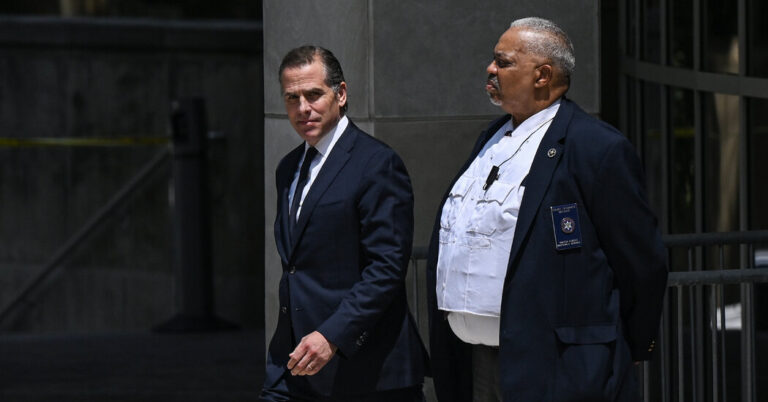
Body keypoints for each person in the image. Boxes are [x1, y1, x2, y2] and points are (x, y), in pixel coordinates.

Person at [426, 17, 668, 402]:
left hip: (557, 369)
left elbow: (641, 262)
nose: (490, 69)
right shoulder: (491, 137)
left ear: (542, 75)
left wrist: (630, 344)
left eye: (503, 62)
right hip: (475, 361)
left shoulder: (596, 147)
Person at [260, 45, 427, 402]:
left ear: (341, 94)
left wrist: (333, 335)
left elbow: (386, 267)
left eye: (313, 95)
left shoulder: (377, 164)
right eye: (292, 98)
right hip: (296, 365)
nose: (303, 108)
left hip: (367, 371)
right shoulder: (288, 168)